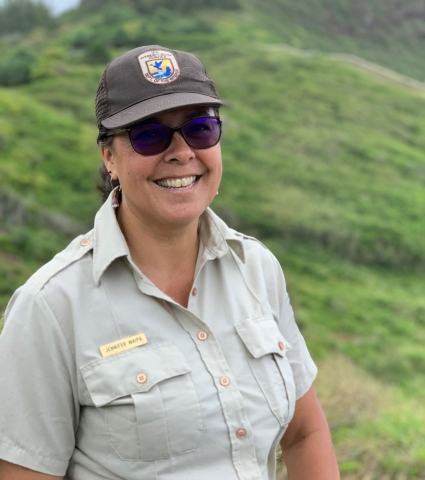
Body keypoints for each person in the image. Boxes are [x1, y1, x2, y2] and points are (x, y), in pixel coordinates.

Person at [0, 45, 340, 480]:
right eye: (149, 135)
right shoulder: (50, 306)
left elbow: (304, 432)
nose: (181, 152)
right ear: (109, 157)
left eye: (199, 129)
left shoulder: (255, 266)